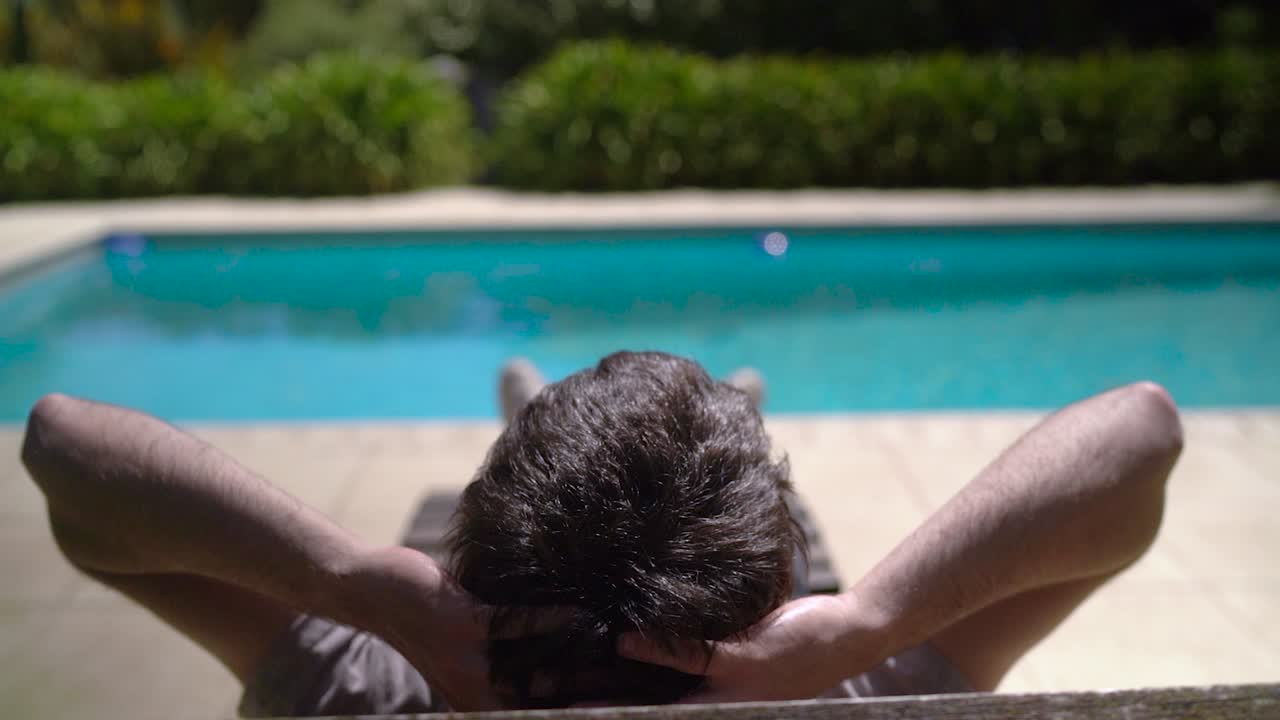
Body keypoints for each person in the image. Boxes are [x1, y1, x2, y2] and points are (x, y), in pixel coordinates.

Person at [19, 351, 1182, 715]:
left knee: (568, 437)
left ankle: (532, 407)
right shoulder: (853, 691)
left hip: (496, 574)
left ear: (462, 576)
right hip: (754, 596)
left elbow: (67, 450)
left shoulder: (375, 689)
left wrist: (366, 584)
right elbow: (1138, 436)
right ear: (776, 602)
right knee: (717, 435)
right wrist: (862, 620)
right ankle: (732, 406)